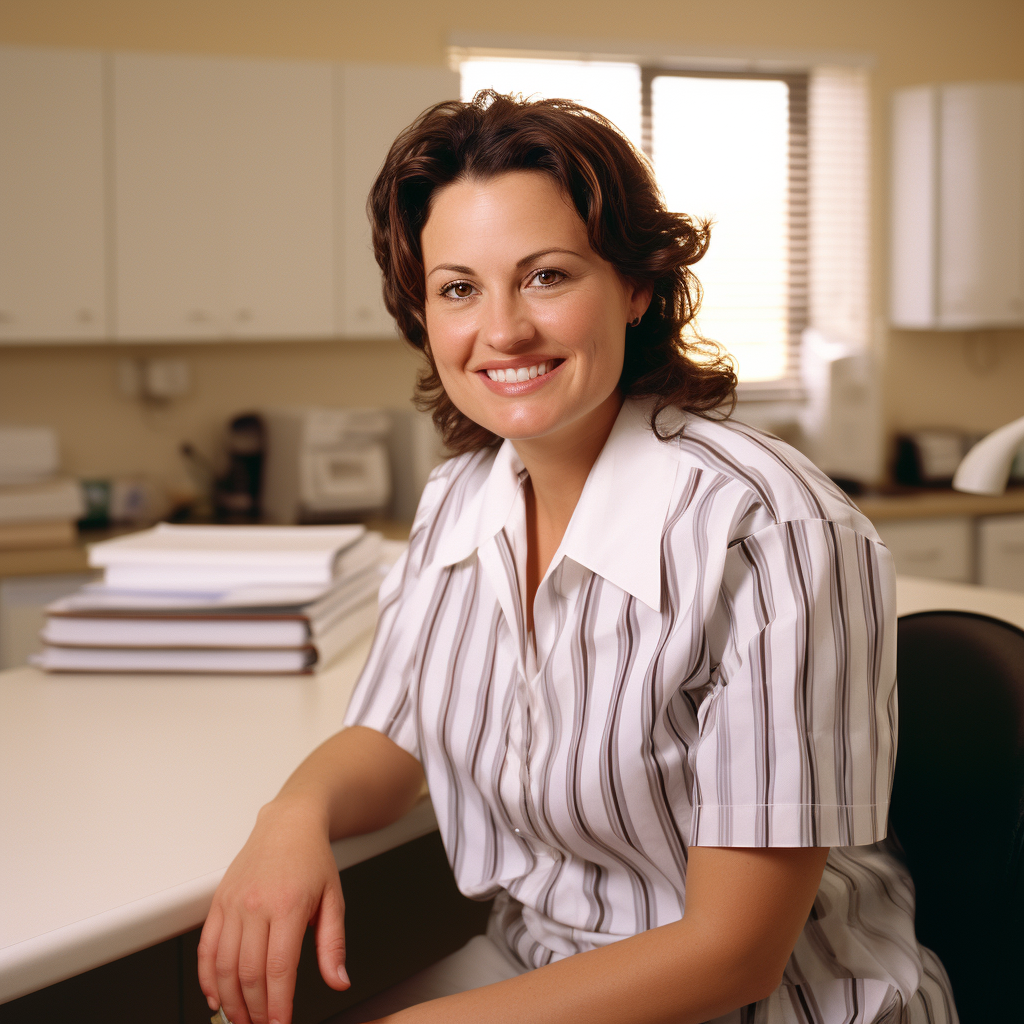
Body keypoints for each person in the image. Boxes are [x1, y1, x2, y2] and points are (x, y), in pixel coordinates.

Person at [198, 91, 957, 1024]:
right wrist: (292, 815)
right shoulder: (458, 501)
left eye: (548, 276)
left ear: (637, 286)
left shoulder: (774, 532)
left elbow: (735, 954)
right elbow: (392, 737)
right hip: (533, 973)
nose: (504, 330)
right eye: (460, 288)